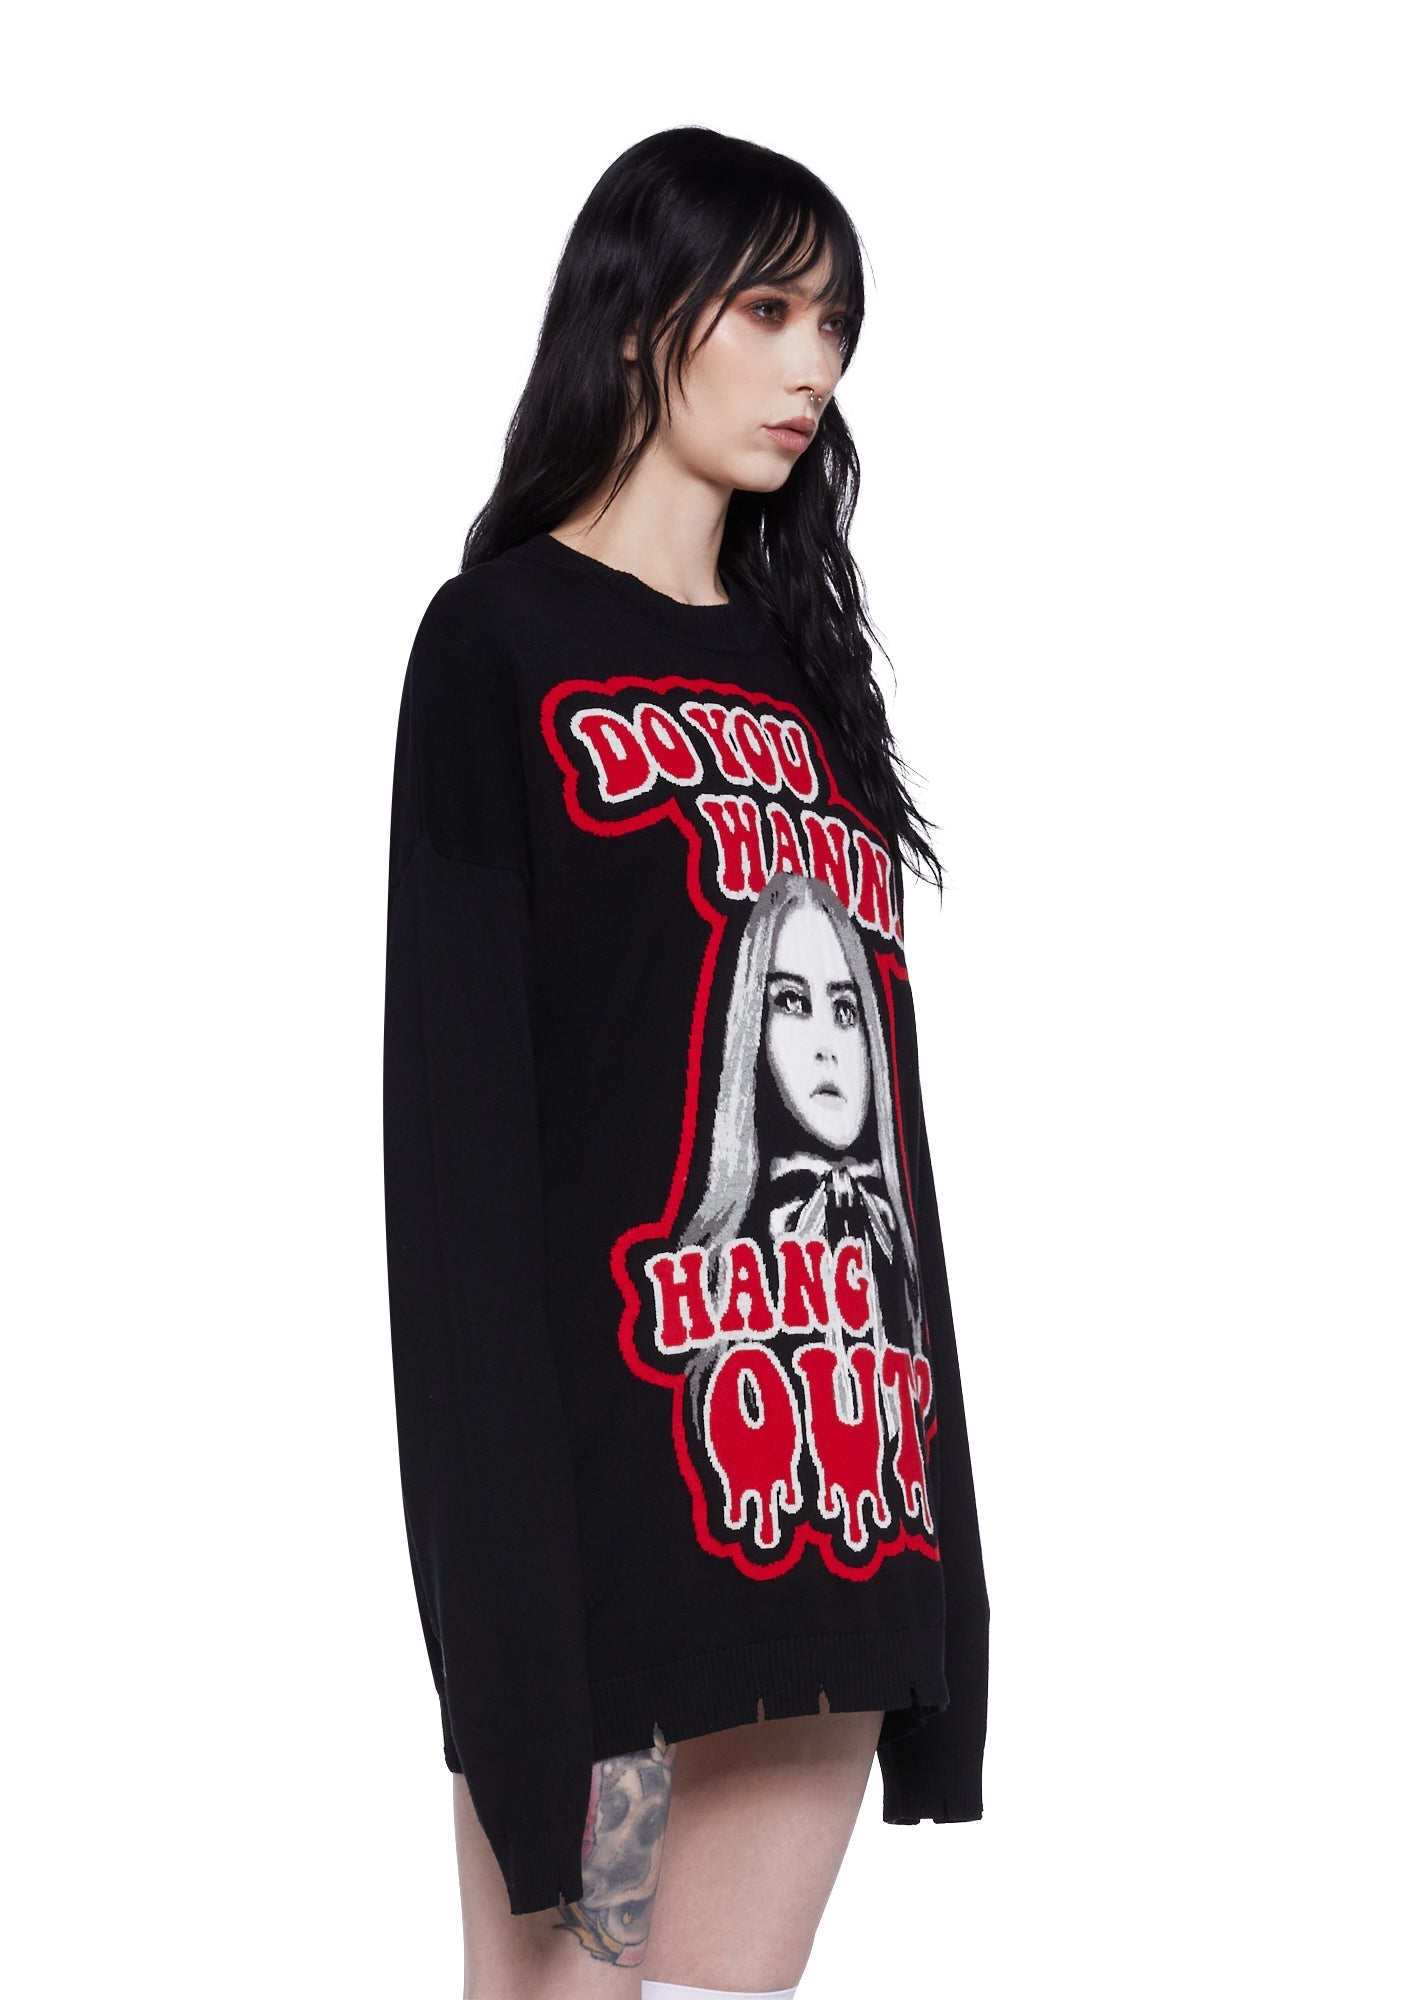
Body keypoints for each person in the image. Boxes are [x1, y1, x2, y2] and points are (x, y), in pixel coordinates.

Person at [382, 125, 991, 2000]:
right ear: (646, 316)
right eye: (773, 312)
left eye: (839, 328)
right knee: (561, 1993)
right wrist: (506, 1596)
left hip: (836, 1495)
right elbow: (457, 1150)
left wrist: (954, 1553)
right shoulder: (500, 647)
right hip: (616, 1525)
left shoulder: (807, 683)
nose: (816, 367)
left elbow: (889, 1151)